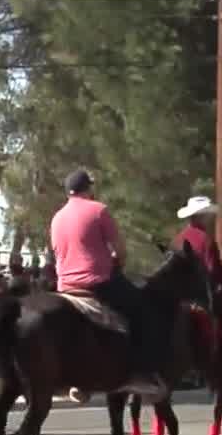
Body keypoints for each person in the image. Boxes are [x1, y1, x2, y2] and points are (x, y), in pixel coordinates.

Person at [51, 167, 167, 397]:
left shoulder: (56, 217)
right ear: (89, 188)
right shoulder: (98, 210)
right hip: (97, 281)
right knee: (144, 311)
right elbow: (121, 251)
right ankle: (141, 373)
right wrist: (116, 262)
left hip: (65, 286)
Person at [172, 195, 222, 285]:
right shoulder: (206, 240)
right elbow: (215, 273)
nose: (211, 217)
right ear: (201, 216)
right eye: (208, 213)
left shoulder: (178, 239)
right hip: (201, 294)